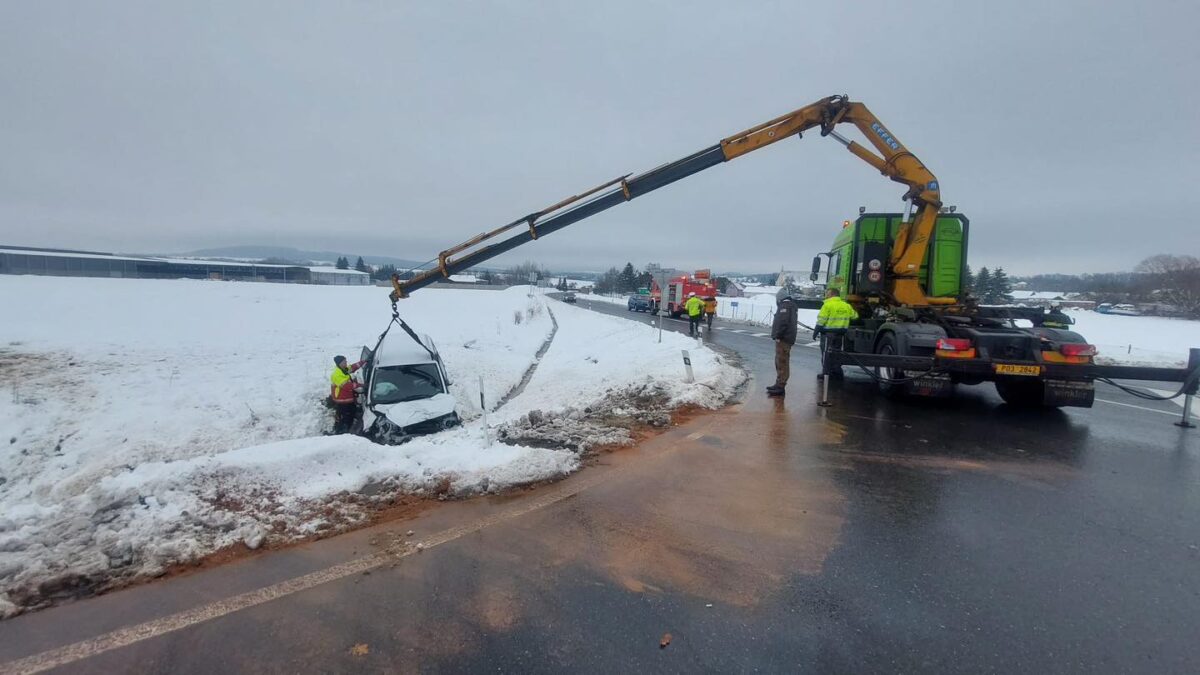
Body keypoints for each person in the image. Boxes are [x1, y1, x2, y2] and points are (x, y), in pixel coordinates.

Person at [814, 288, 859, 375]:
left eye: (827, 293)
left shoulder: (827, 305)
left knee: (826, 352)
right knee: (837, 352)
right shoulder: (846, 305)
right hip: (841, 333)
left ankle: (826, 373)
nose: (826, 295)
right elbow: (855, 316)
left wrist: (816, 331)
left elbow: (821, 320)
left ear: (832, 294)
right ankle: (837, 371)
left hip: (828, 333)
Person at [768, 288, 798, 396]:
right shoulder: (790, 306)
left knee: (782, 362)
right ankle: (779, 383)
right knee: (781, 361)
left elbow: (783, 323)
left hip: (784, 339)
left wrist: (778, 335)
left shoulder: (785, 307)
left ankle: (780, 385)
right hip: (787, 338)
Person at [330, 354, 366, 434]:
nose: (346, 362)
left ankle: (348, 426)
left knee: (351, 413)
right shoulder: (337, 374)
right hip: (342, 401)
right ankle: (342, 432)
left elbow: (352, 367)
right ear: (340, 363)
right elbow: (347, 386)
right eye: (344, 361)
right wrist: (361, 385)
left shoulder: (343, 369)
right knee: (346, 417)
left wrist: (363, 361)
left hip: (348, 399)